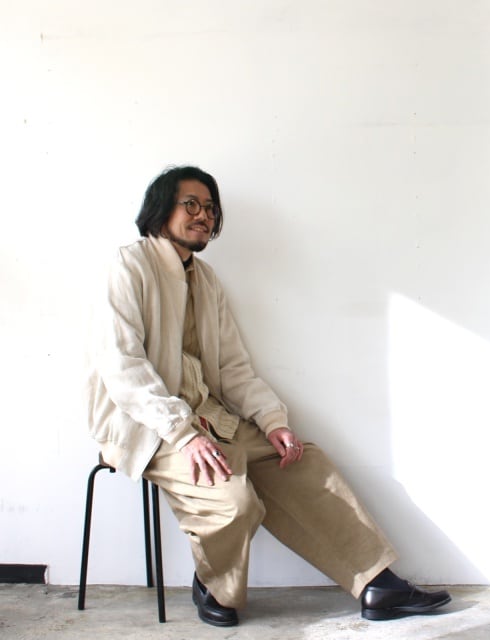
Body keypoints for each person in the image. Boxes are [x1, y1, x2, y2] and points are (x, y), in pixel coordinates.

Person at [86, 165, 451, 626]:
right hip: (148, 428)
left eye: (210, 208)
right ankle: (214, 584)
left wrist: (272, 420)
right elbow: (122, 366)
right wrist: (183, 434)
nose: (203, 215)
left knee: (303, 462)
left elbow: (233, 368)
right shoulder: (128, 266)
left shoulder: (206, 281)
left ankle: (376, 584)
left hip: (208, 418)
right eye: (191, 204)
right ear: (160, 212)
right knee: (235, 504)